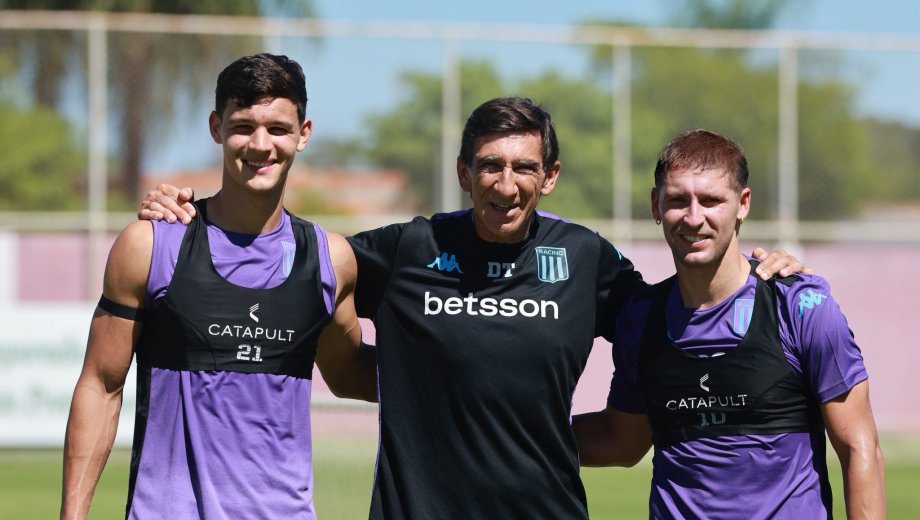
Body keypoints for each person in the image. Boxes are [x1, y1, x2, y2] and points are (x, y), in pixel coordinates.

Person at [139, 98, 805, 518]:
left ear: (549, 177)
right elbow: (294, 263)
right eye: (489, 166)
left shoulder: (585, 259)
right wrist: (198, 217)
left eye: (524, 168)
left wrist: (759, 274)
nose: (506, 185)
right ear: (464, 173)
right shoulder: (410, 249)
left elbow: (684, 315)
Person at [61, 53, 375, 520]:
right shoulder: (152, 245)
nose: (261, 145)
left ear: (303, 134)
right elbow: (101, 386)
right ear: (216, 127)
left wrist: (467, 365)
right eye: (243, 126)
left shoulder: (330, 260)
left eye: (278, 129)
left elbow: (348, 374)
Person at [573, 129, 886, 519]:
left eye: (711, 200)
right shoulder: (640, 318)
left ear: (743, 203)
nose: (694, 217)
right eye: (677, 200)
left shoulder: (800, 306)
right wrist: (509, 435)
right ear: (656, 205)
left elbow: (859, 448)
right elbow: (623, 441)